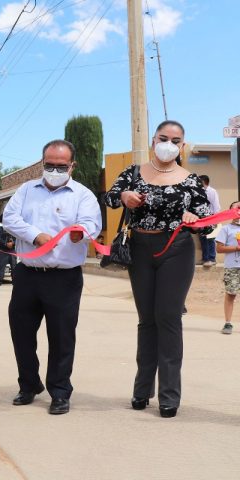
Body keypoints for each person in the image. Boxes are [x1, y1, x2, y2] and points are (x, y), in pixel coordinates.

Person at [104, 120, 212, 418]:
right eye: (163, 138)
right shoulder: (134, 172)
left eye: (175, 140)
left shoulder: (190, 180)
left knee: (167, 318)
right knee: (146, 319)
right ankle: (141, 391)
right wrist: (124, 196)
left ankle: (169, 396)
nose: (168, 144)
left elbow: (209, 220)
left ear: (183, 146)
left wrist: (194, 217)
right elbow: (110, 197)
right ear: (153, 140)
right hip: (139, 249)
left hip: (175, 250)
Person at [3, 139, 102, 415]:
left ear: (72, 165)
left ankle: (59, 391)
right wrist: (35, 235)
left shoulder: (83, 195)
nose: (55, 170)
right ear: (42, 163)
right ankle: (29, 385)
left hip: (64, 278)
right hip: (27, 274)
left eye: (61, 166)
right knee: (21, 333)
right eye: (49, 165)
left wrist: (80, 232)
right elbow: (10, 218)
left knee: (61, 337)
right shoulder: (25, 190)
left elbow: (93, 224)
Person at [215, 200, 240, 334]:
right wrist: (236, 247)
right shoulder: (226, 229)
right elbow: (219, 248)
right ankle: (228, 323)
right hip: (233, 267)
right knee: (231, 294)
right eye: (236, 208)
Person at [198, 175, 221, 267]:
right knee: (202, 239)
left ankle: (212, 258)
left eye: (199, 182)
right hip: (201, 218)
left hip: (210, 217)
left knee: (211, 238)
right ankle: (205, 258)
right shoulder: (198, 192)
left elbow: (216, 206)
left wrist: (215, 219)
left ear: (204, 182)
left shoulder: (212, 191)